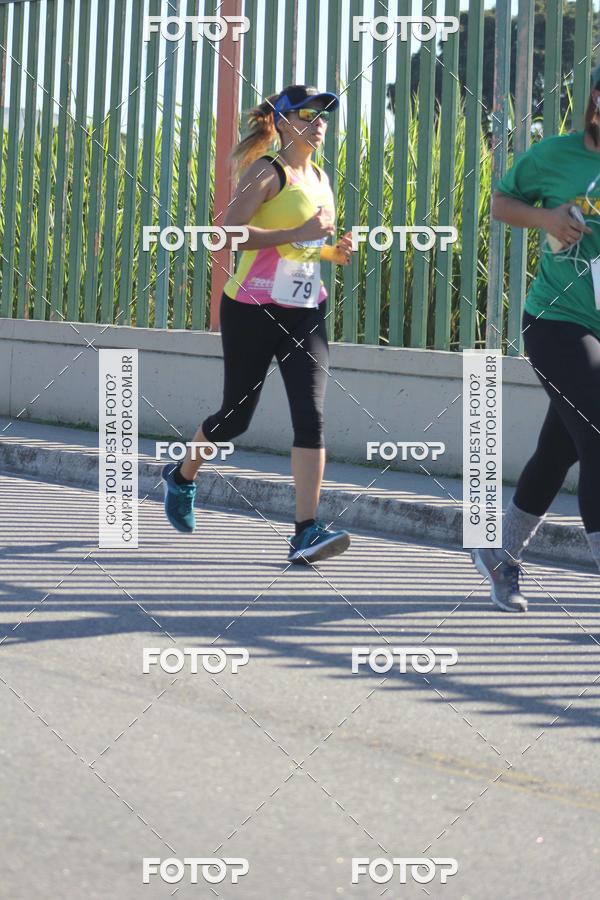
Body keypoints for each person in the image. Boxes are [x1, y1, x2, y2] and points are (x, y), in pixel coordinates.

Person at [162, 85, 355, 564]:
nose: (319, 123)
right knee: (235, 418)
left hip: (305, 310)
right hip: (251, 309)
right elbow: (226, 234)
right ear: (283, 121)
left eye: (324, 116)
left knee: (311, 415)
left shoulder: (320, 178)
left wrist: (333, 253)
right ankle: (182, 477)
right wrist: (299, 231)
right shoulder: (267, 171)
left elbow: (302, 248)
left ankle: (305, 531)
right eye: (308, 115)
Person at [471, 64, 600, 612]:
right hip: (557, 320)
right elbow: (501, 203)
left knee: (560, 448)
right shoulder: (554, 156)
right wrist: (547, 220)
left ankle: (499, 551)